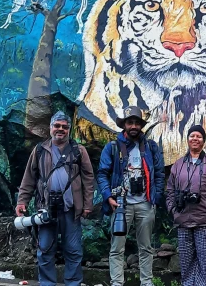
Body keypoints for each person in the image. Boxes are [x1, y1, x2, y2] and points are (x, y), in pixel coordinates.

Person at [16, 111, 95, 286]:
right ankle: (47, 284)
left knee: (73, 251)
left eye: (64, 127)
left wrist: (88, 204)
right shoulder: (39, 150)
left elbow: (88, 178)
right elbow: (29, 177)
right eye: (57, 126)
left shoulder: (78, 150)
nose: (61, 129)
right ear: (50, 128)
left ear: (69, 129)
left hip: (71, 209)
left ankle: (73, 283)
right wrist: (22, 201)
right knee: (45, 249)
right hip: (46, 209)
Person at [97, 106, 165, 286]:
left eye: (137, 122)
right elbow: (102, 173)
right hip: (121, 205)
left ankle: (147, 283)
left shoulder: (150, 147)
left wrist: (155, 198)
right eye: (130, 122)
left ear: (141, 125)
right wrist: (107, 196)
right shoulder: (112, 147)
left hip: (145, 203)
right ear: (124, 125)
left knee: (146, 247)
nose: (133, 126)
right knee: (117, 248)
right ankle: (117, 283)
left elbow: (159, 173)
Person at [166, 125, 206, 286]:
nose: (195, 138)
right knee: (186, 262)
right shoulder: (178, 165)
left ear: (204, 141)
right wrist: (173, 211)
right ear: (187, 139)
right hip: (183, 220)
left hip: (205, 221)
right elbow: (170, 190)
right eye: (192, 135)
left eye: (199, 136)